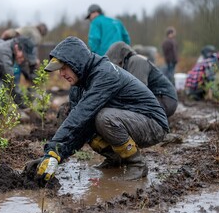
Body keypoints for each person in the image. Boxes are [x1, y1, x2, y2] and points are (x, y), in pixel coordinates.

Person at [26, 36, 169, 184]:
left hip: (153, 123)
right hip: (129, 120)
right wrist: (53, 155)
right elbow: (78, 129)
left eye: (63, 68)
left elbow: (81, 114)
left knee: (103, 117)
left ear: (76, 63)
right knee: (68, 112)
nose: (61, 74)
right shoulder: (78, 86)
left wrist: (52, 148)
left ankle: (136, 164)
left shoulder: (105, 73)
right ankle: (115, 158)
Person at [106, 42, 178, 117]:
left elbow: (138, 92)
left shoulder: (136, 61)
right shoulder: (129, 63)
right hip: (160, 97)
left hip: (165, 99)